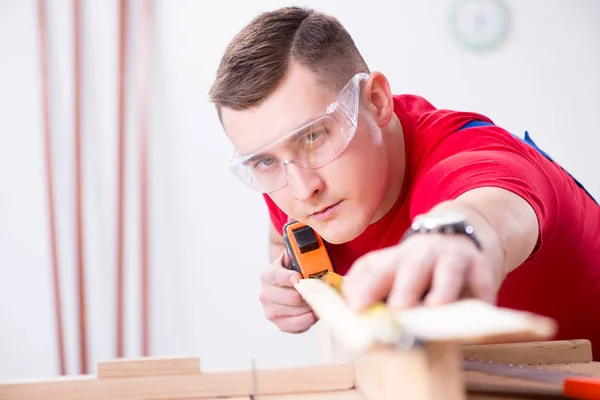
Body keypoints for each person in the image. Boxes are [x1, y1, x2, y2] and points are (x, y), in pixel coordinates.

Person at [208, 6, 600, 360]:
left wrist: (454, 237)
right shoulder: (297, 179)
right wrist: (285, 275)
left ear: (376, 101)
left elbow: (488, 204)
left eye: (312, 136)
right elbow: (285, 230)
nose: (300, 190)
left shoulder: (466, 152)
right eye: (264, 161)